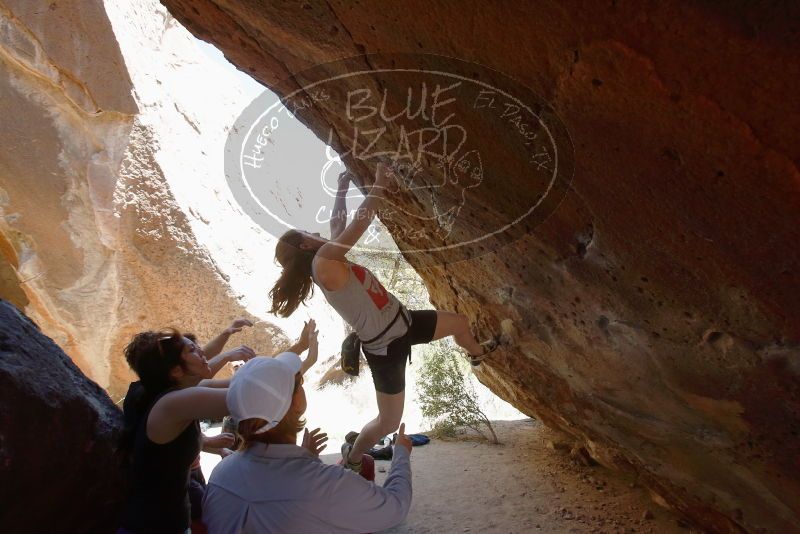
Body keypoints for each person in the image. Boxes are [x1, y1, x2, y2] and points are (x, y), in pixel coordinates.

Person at [269, 163, 498, 471]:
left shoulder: (328, 258)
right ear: (305, 245)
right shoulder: (323, 263)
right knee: (388, 422)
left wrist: (342, 187)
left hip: (404, 323)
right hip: (386, 347)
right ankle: (352, 456)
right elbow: (355, 228)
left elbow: (338, 225)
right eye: (309, 233)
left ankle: (478, 355)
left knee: (459, 323)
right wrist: (379, 185)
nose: (316, 232)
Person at [117, 321, 316, 534]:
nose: (202, 351)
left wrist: (299, 349)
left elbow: (246, 383)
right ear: (175, 371)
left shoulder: (167, 393)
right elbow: (254, 393)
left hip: (165, 521)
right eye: (193, 350)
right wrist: (302, 363)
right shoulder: (172, 404)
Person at [202, 349, 413, 533]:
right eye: (299, 383)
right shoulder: (328, 486)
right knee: (364, 466)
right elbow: (397, 506)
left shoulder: (221, 474)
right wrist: (401, 453)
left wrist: (308, 460)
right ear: (296, 402)